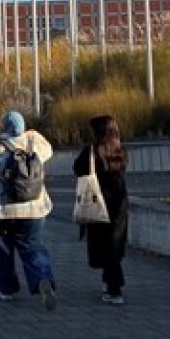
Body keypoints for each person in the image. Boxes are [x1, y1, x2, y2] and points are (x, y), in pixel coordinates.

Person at [0, 109, 57, 310]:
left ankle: (6, 289)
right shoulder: (36, 145)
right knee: (33, 247)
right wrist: (31, 134)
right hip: (34, 207)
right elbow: (50, 150)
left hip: (1, 210)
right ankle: (42, 279)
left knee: (3, 249)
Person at [74, 114, 129, 305]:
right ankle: (110, 283)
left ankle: (115, 290)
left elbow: (77, 169)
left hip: (98, 202)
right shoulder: (119, 149)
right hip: (119, 203)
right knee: (113, 245)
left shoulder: (92, 151)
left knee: (105, 247)